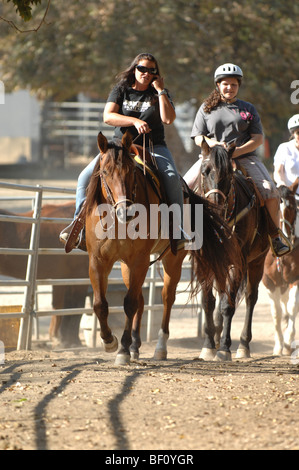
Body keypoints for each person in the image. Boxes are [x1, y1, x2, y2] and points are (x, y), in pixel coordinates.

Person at [60, 52, 187, 252]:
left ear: (156, 73)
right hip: (119, 147)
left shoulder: (159, 93)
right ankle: (79, 225)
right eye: (142, 69)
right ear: (134, 69)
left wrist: (161, 91)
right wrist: (134, 121)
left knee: (171, 177)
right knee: (84, 177)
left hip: (154, 146)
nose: (146, 73)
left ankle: (178, 229)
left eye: (151, 70)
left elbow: (168, 119)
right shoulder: (121, 89)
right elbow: (108, 116)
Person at [185, 62, 290, 257]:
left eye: (234, 84)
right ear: (218, 85)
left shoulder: (248, 109)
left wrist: (237, 151)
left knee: (270, 191)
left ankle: (275, 237)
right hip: (211, 159)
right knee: (182, 188)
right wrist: (214, 145)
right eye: (225, 84)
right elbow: (198, 137)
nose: (229, 88)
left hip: (244, 157)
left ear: (238, 86)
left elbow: (258, 139)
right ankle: (181, 234)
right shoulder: (206, 108)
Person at [273, 114, 299, 197]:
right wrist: (282, 184)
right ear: (293, 134)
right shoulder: (284, 148)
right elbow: (278, 171)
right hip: (289, 197)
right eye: (298, 133)